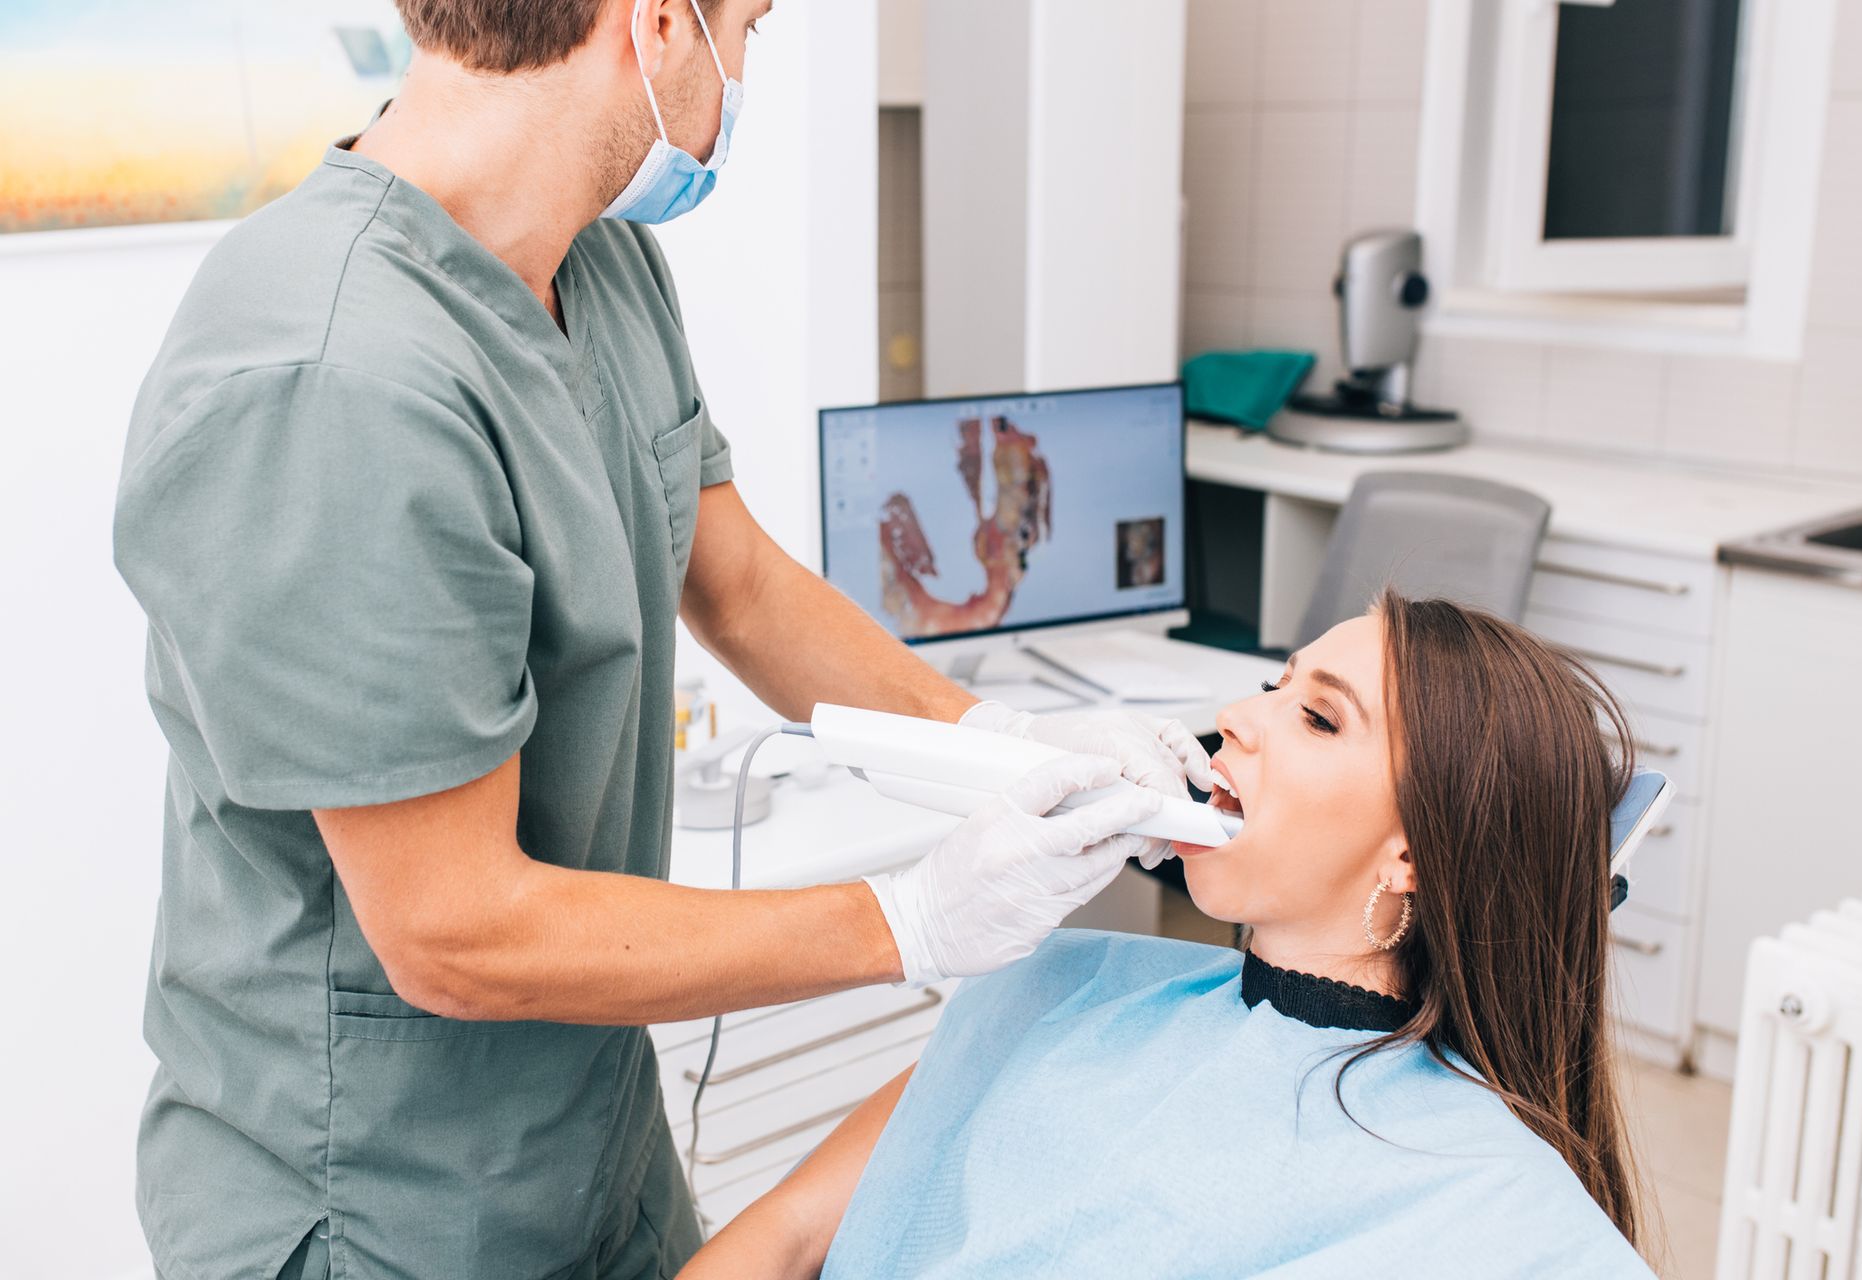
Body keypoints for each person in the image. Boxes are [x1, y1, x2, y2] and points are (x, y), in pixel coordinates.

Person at [111, 2, 1213, 1276]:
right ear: (655, 23)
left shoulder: (603, 263)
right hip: (377, 1199)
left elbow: (737, 583)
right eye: (745, 24)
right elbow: (453, 932)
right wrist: (906, 919)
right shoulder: (332, 378)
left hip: (591, 1144)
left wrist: (1002, 743)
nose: (743, 68)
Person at [683, 592, 1660, 1278]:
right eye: (1277, 683)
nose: (1236, 715)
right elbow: (790, 1229)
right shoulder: (1062, 981)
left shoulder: (1479, 1189)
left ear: (1414, 855)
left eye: (1317, 717)